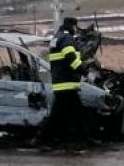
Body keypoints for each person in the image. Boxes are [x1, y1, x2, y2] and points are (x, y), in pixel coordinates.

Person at [36, 17, 91, 151]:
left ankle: (84, 138)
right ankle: (42, 139)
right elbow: (71, 58)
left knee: (76, 113)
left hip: (62, 83)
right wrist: (84, 70)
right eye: (75, 27)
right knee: (58, 114)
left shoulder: (56, 37)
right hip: (66, 83)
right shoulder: (66, 39)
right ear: (72, 26)